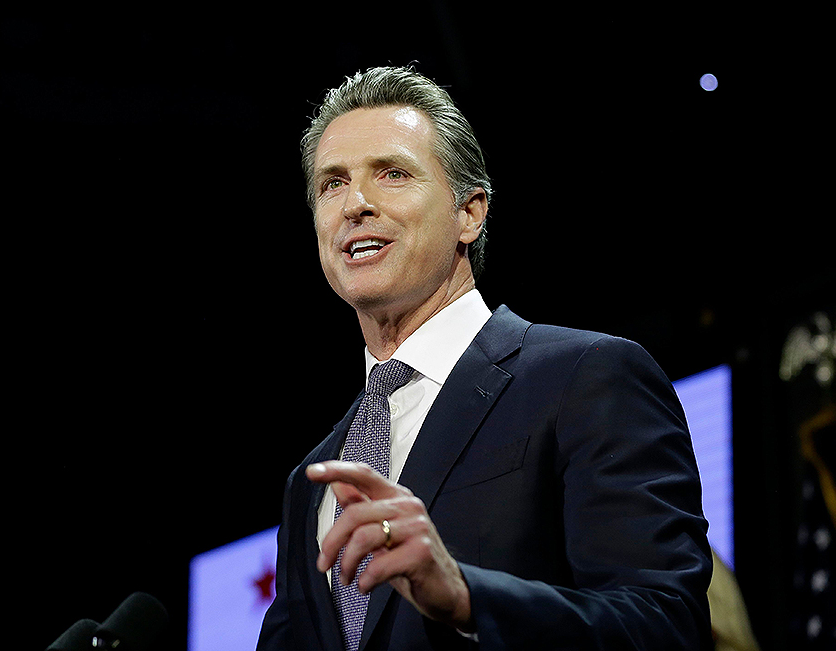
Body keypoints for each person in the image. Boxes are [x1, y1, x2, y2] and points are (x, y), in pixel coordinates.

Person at [257, 65, 712, 650]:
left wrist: (468, 598)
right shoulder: (311, 481)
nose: (356, 204)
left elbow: (665, 626)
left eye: (392, 174)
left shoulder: (585, 377)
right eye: (332, 183)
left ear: (469, 213)